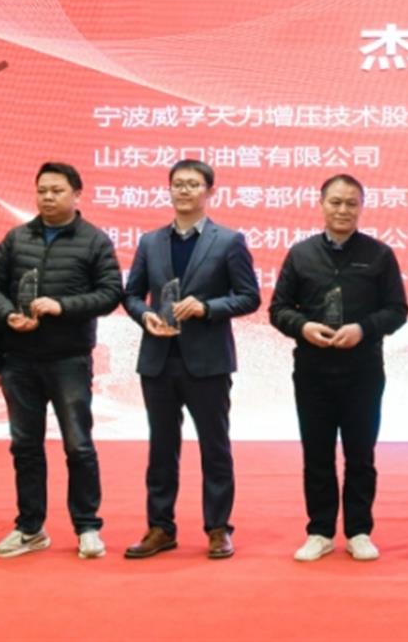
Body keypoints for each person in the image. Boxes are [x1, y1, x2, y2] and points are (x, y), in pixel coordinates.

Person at [0, 161, 123, 559]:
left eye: (56, 191)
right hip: (19, 360)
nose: (47, 197)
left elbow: (111, 293)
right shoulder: (16, 238)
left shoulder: (94, 240)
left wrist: (62, 306)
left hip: (69, 360)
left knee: (79, 446)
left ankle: (87, 527)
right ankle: (30, 528)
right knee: (25, 447)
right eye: (42, 190)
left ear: (76, 194)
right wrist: (8, 315)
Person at [120, 160, 260, 560]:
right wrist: (145, 315)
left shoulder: (229, 241)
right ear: (168, 190)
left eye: (193, 184)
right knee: (161, 448)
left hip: (208, 361)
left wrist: (207, 307)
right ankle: (160, 527)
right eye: (177, 184)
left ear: (209, 191)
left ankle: (218, 528)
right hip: (159, 359)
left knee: (215, 447)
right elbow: (131, 295)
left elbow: (249, 297)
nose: (184, 190)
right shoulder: (150, 242)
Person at [269, 174, 408, 562]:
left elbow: (397, 310)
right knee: (317, 454)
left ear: (361, 207)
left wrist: (363, 329)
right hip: (312, 371)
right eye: (335, 202)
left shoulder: (379, 255)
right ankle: (320, 531)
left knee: (361, 455)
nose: (343, 210)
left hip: (363, 371)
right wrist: (303, 327)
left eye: (351, 203)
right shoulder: (301, 254)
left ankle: (359, 530)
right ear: (322, 204)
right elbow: (278, 309)